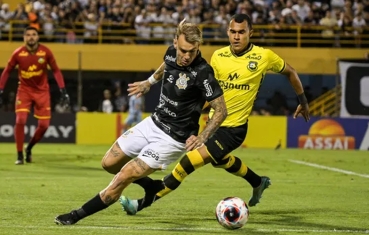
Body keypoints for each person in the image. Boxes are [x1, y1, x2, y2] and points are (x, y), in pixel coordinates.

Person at [119, 14, 310, 215]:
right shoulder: (218, 56)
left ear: (250, 33)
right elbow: (209, 91)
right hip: (213, 123)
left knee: (187, 163)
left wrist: (303, 101)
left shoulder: (264, 56)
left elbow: (291, 72)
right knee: (220, 160)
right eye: (233, 32)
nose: (236, 37)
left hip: (234, 129)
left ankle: (140, 204)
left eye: (241, 32)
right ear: (228, 32)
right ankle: (257, 181)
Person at [54, 20, 227, 225]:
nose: (187, 56)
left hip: (173, 139)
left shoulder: (203, 72)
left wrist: (202, 137)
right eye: (183, 50)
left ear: (198, 48)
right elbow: (166, 65)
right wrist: (149, 82)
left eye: (193, 51)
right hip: (153, 122)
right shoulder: (171, 52)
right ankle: (151, 186)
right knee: (109, 163)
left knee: (124, 176)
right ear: (175, 43)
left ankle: (75, 216)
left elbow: (221, 109)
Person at [0, 26, 70, 165]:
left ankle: (29, 148)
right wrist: (1, 88)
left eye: (33, 34)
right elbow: (7, 71)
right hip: (24, 90)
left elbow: (56, 70)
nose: (31, 37)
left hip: (42, 91)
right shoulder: (18, 53)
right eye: (28, 35)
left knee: (44, 125)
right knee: (20, 120)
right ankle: (19, 155)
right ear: (24, 37)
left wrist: (63, 89)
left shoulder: (45, 52)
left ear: (37, 37)